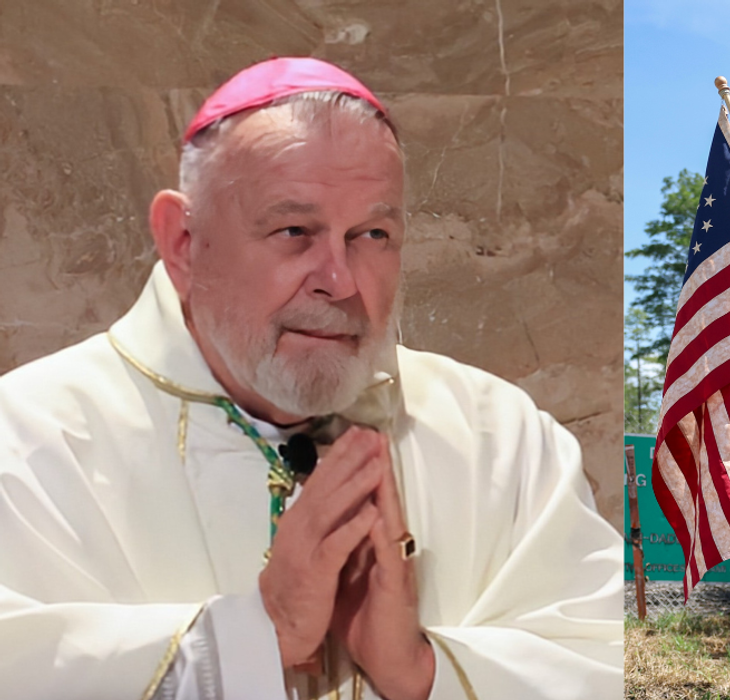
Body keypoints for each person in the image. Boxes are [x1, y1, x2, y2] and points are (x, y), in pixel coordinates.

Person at [0, 58, 621, 699]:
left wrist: (420, 671)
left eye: (372, 234)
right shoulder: (28, 441)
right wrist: (251, 640)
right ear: (184, 241)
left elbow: (602, 663)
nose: (341, 279)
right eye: (294, 231)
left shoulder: (501, 437)